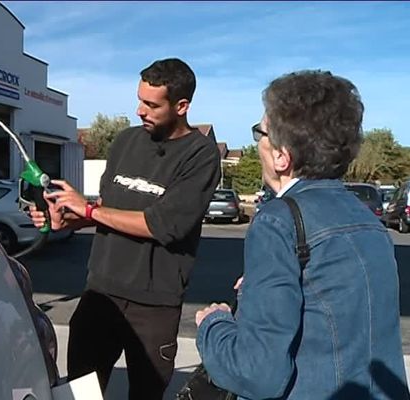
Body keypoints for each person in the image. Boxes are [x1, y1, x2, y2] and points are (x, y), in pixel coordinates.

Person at [195, 70, 408, 399]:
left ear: (282, 156)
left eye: (259, 133)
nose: (258, 144)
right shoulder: (369, 221)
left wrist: (214, 325)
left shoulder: (277, 221)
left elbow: (258, 374)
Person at [30, 58, 220, 399]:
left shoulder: (201, 154)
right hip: (100, 294)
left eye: (151, 104)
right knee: (80, 392)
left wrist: (86, 208)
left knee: (146, 393)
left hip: (154, 305)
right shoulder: (126, 141)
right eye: (139, 99)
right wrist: (66, 217)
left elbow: (163, 225)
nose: (139, 110)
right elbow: (107, 210)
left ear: (182, 106)